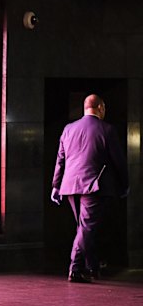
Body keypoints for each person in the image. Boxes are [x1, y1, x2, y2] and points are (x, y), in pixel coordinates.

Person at [51, 94, 129, 283]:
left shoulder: (68, 129)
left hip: (69, 186)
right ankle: (76, 269)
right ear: (101, 108)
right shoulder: (107, 130)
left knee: (83, 228)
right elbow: (118, 161)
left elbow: (60, 159)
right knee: (86, 228)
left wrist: (55, 185)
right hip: (93, 185)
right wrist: (124, 184)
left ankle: (91, 267)